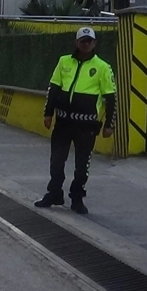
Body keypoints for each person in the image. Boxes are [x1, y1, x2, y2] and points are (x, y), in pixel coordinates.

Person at [35, 27, 116, 215]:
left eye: (89, 41)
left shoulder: (103, 67)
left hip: (86, 125)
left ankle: (77, 197)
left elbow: (111, 98)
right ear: (76, 42)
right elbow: (53, 88)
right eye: (82, 40)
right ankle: (54, 193)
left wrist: (109, 124)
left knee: (82, 164)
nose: (85, 44)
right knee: (56, 160)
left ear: (94, 43)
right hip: (63, 122)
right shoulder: (64, 61)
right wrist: (48, 113)